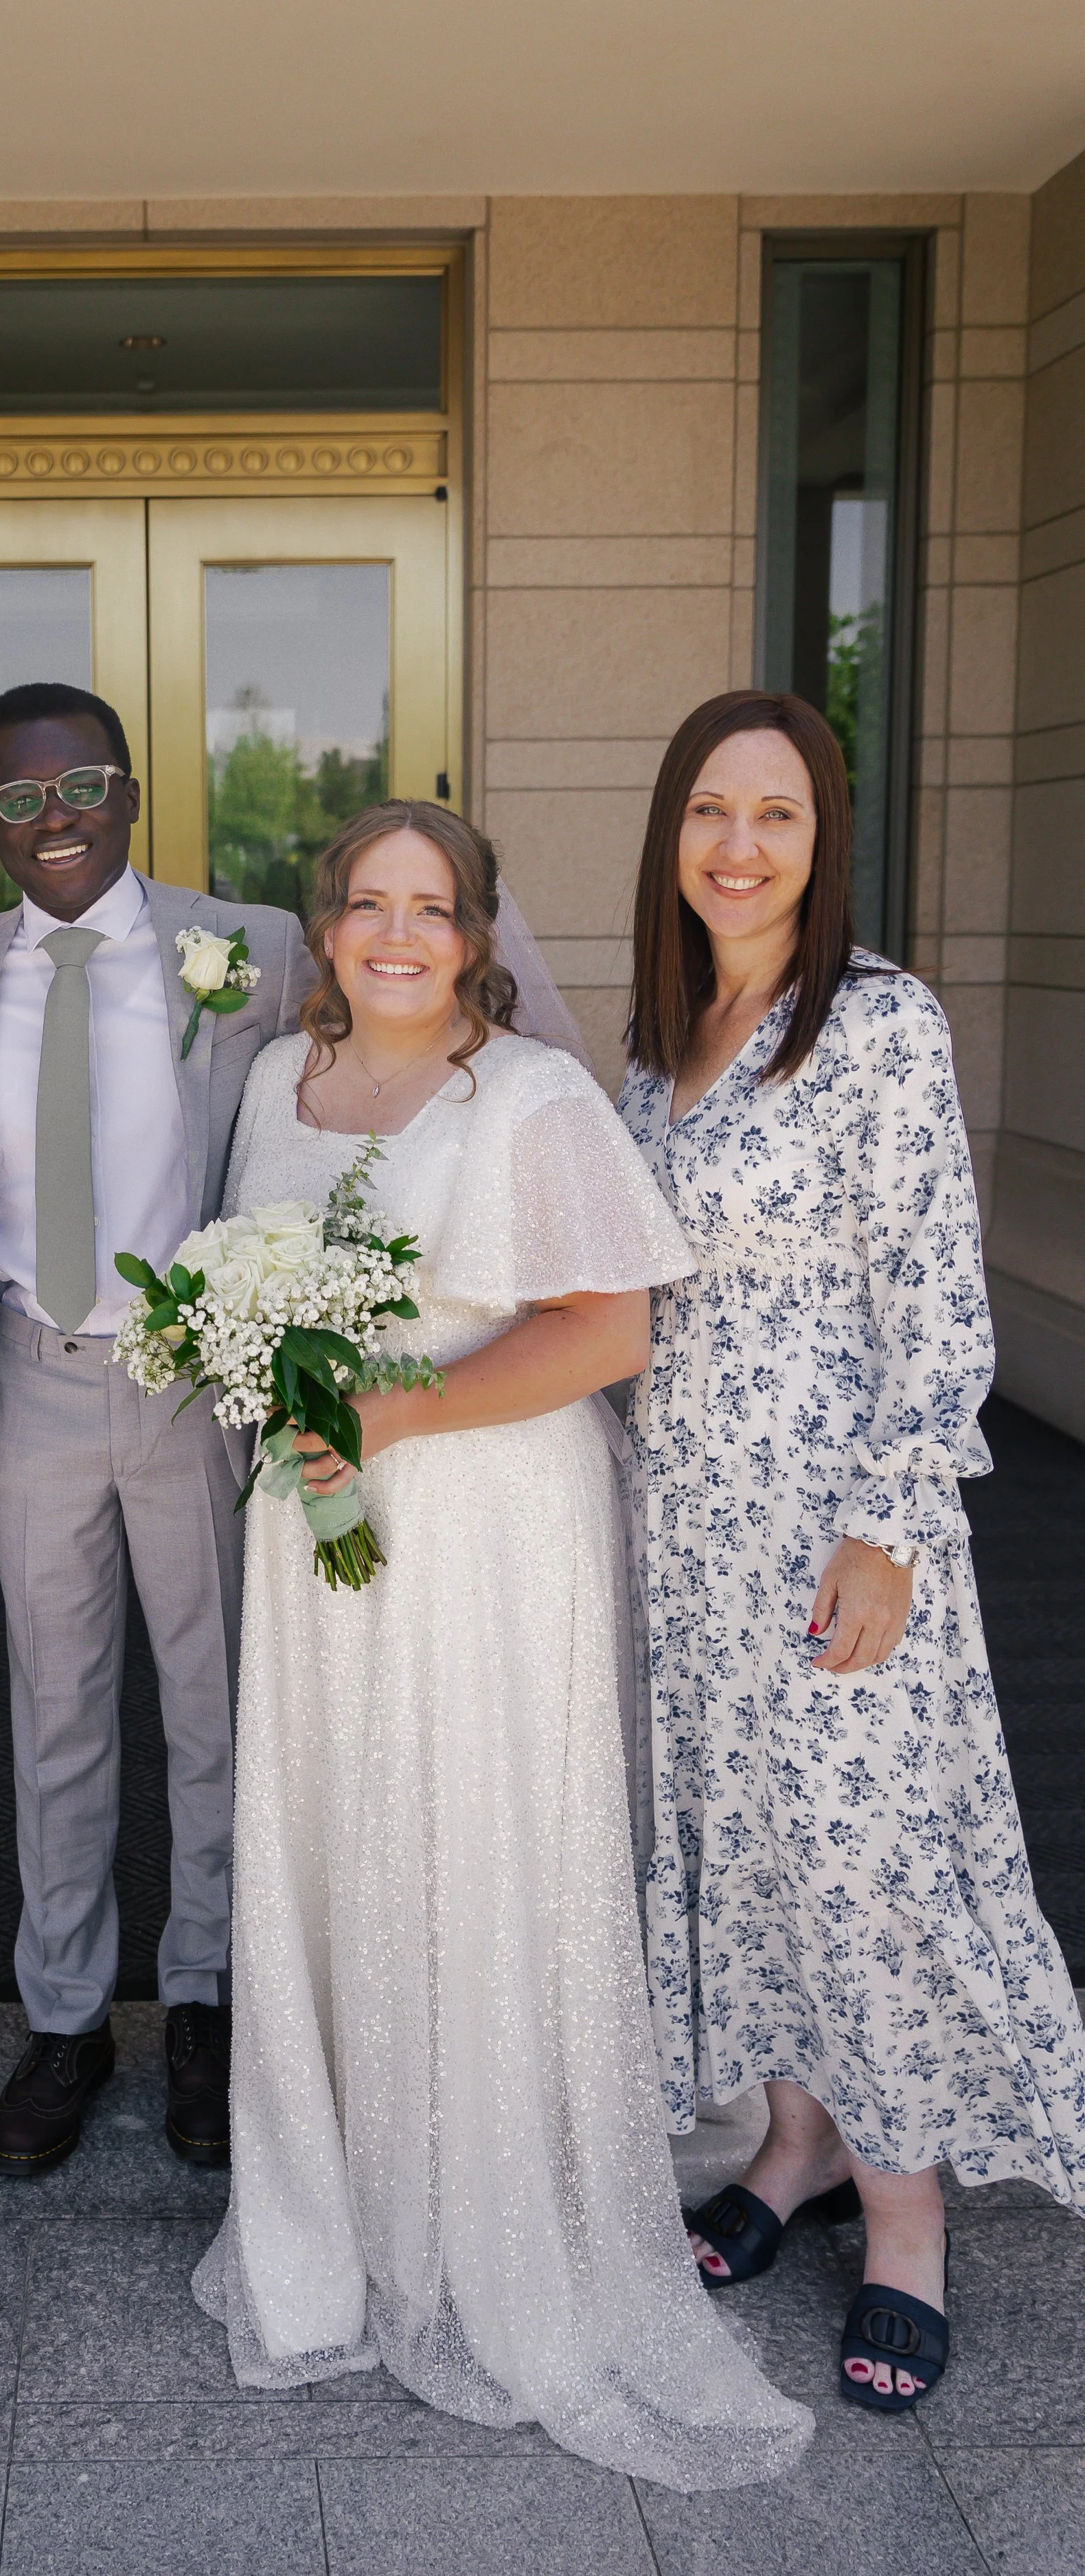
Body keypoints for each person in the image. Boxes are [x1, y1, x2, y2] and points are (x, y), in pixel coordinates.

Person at [192, 800, 812, 2489]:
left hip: (476, 1519)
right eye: (369, 904)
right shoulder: (276, 1086)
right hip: (320, 1519)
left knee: (465, 1834)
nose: (399, 934)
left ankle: (492, 2212)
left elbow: (611, 1327)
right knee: (343, 1843)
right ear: (325, 927)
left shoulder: (526, 1097)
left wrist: (400, 1409)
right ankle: (352, 2202)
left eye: (434, 907)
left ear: (475, 933)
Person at [617, 689, 1085, 2413]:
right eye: (710, 813)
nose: (739, 845)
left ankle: (908, 2218)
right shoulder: (656, 1048)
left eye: (779, 815)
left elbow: (943, 1306)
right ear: (670, 835)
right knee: (752, 1850)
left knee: (868, 1868)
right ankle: (796, 2143)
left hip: (834, 1534)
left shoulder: (876, 1023)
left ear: (824, 840)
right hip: (694, 1539)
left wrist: (888, 1528)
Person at [0, 681, 312, 2176]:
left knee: (213, 1711)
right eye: (14, 801)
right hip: (30, 1375)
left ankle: (201, 2002)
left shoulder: (253, 951)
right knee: (54, 1715)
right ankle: (65, 2019)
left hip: (192, 1379)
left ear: (129, 791)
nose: (51, 820)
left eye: (77, 787)